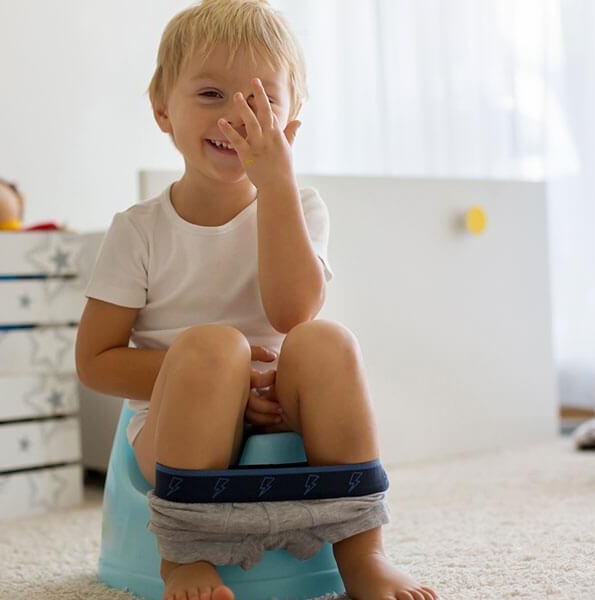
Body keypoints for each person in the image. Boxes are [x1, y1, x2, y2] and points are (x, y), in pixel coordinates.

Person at [75, 1, 439, 598]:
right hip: (174, 428)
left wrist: (277, 186)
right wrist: (222, 375)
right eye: (211, 94)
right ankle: (184, 556)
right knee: (214, 346)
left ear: (291, 123)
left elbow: (293, 315)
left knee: (327, 341)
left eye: (260, 101)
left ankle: (362, 553)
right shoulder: (138, 229)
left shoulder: (302, 206)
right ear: (163, 110)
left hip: (280, 406)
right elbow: (95, 361)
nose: (235, 118)